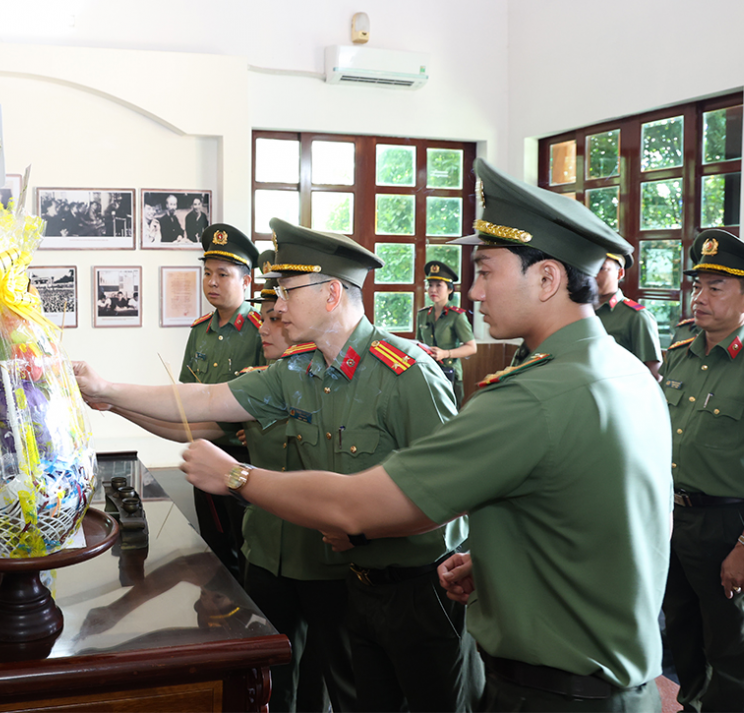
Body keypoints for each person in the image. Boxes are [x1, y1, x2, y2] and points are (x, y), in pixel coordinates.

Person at [129, 158, 674, 712]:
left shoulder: (533, 395)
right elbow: (588, 521)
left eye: (485, 271)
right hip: (611, 681)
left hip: (555, 693)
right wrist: (494, 563)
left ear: (548, 278)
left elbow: (357, 506)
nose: (475, 292)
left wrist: (237, 476)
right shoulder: (620, 371)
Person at [78, 218, 478, 713]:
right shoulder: (298, 370)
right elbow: (204, 397)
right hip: (358, 585)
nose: (277, 304)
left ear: (332, 294)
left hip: (424, 588)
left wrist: (362, 531)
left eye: (288, 289)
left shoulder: (407, 374)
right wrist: (107, 390)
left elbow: (454, 495)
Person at [659, 228, 744, 713]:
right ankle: (694, 705)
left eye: (715, 287)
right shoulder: (680, 353)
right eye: (697, 286)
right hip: (672, 518)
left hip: (727, 524)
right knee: (682, 633)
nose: (699, 297)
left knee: (729, 646)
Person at [178, 223, 264, 580]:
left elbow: (277, 396)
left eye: (223, 274)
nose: (212, 282)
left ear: (246, 281)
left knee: (249, 551)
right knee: (213, 547)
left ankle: (250, 628)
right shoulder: (201, 331)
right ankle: (216, 622)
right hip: (204, 451)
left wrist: (257, 427)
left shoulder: (264, 329)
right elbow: (184, 392)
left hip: (247, 461)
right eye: (207, 273)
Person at [417, 260, 477, 404]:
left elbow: (471, 348)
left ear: (450, 289)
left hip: (449, 374)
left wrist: (445, 353)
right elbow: (419, 343)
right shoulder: (423, 314)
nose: (433, 290)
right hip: (427, 372)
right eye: (430, 285)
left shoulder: (457, 316)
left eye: (439, 285)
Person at [594, 251, 661, 378]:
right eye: (589, 267)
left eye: (601, 268)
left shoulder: (636, 316)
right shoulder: (578, 311)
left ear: (620, 273)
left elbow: (654, 375)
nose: (593, 274)